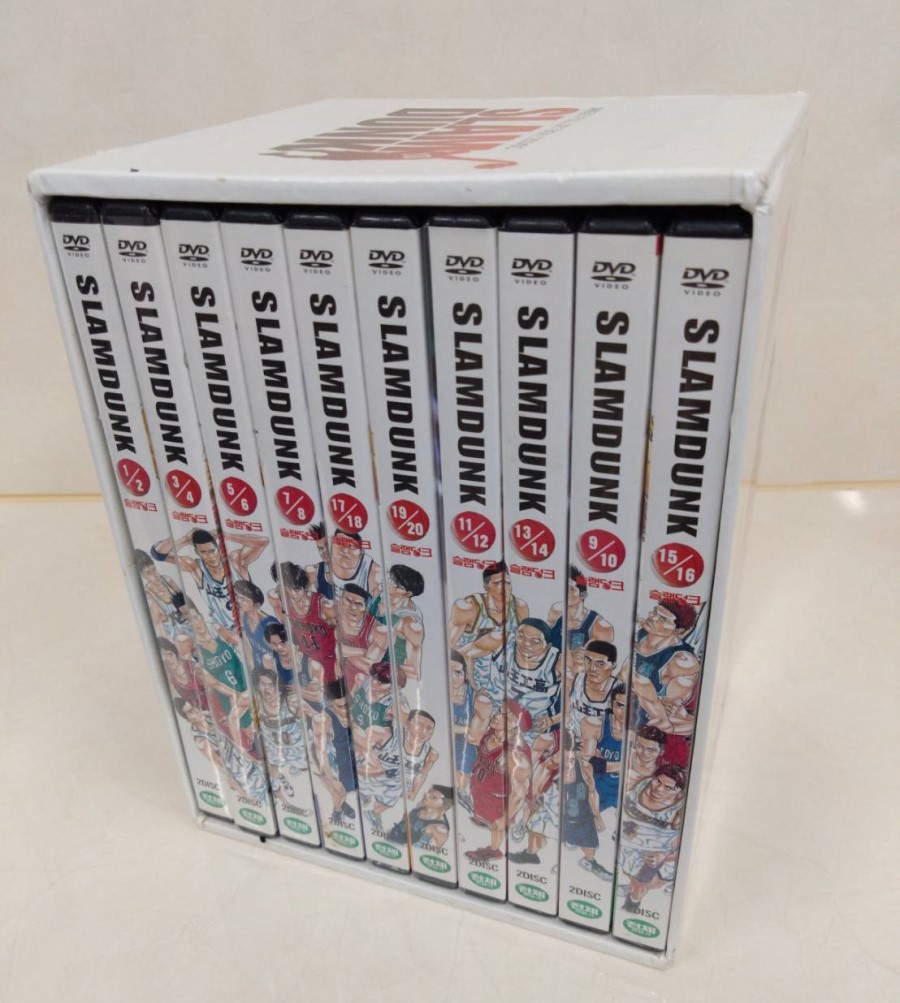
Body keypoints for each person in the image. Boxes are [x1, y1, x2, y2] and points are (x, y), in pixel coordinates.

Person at [631, 599, 701, 764]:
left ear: (678, 631)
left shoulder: (682, 661)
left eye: (662, 619)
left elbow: (666, 710)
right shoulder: (640, 633)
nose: (653, 617)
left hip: (649, 722)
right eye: (655, 612)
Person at [465, 703, 532, 864]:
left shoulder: (514, 755)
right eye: (498, 711)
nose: (496, 715)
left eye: (504, 715)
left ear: (514, 724)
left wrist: (505, 818)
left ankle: (493, 850)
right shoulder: (491, 733)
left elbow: (519, 794)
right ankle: (485, 820)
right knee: (488, 821)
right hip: (482, 790)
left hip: (498, 799)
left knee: (497, 826)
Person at [618, 764, 687, 913]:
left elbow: (684, 845)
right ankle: (634, 888)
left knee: (641, 884)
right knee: (633, 879)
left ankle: (632, 904)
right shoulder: (640, 784)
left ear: (679, 792)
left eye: (669, 788)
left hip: (655, 854)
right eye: (658, 781)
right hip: (628, 845)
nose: (659, 789)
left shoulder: (679, 812)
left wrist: (664, 857)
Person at [447, 561, 527, 649]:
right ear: (486, 586)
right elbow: (449, 646)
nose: (505, 588)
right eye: (498, 583)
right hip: (469, 656)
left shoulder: (519, 607)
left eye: (507, 583)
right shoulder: (469, 608)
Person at [547, 565, 614, 668]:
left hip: (575, 674)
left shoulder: (601, 627)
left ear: (583, 594)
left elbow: (598, 666)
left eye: (571, 589)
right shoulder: (556, 610)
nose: (566, 592)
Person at [565, 639, 620, 761]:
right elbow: (565, 712)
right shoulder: (575, 678)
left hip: (600, 746)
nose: (592, 668)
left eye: (600, 664)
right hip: (572, 740)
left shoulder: (620, 691)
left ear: (613, 665)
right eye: (588, 661)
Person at [368, 565, 425, 681]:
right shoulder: (379, 593)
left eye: (393, 582)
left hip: (382, 678)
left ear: (407, 593)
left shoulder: (410, 624)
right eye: (388, 577)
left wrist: (382, 669)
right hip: (363, 656)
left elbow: (414, 672)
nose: (386, 581)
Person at [234, 579, 283, 674]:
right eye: (237, 596)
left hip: (275, 673)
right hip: (258, 672)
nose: (238, 601)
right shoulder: (244, 618)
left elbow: (282, 654)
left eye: (243, 599)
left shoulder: (270, 624)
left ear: (256, 604)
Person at [387, 785, 454, 849]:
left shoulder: (439, 829)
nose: (426, 795)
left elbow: (428, 853)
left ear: (444, 807)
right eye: (429, 791)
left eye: (433, 797)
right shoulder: (417, 810)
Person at [401, 709, 439, 801]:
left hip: (402, 791)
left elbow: (422, 774)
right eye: (419, 725)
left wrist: (414, 792)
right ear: (408, 724)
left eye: (429, 728)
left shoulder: (431, 753)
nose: (424, 731)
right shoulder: (391, 736)